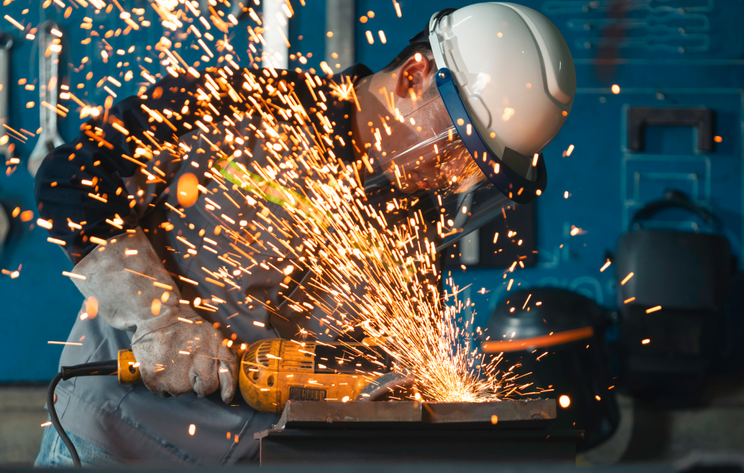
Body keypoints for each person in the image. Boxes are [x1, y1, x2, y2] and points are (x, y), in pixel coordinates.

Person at [33, 2, 576, 466]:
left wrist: (394, 392)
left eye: (472, 171)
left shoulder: (409, 226)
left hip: (259, 462)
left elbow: (379, 366)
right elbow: (68, 180)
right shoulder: (245, 106)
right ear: (415, 75)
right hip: (111, 445)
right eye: (458, 148)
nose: (454, 177)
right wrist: (159, 317)